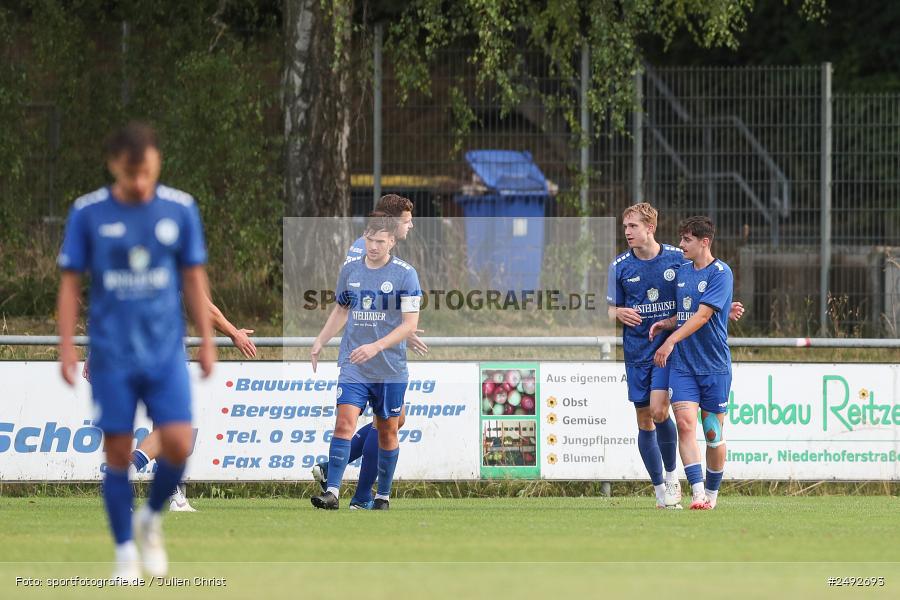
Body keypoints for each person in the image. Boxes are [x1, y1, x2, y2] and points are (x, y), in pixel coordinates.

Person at [57, 122, 215, 579]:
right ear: (114, 168)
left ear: (157, 163)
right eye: (131, 175)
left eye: (147, 172)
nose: (141, 183)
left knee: (179, 442)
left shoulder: (180, 209)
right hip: (112, 355)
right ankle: (125, 551)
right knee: (119, 455)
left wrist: (207, 339)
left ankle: (149, 518)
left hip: (165, 353)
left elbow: (193, 279)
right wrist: (68, 346)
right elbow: (70, 285)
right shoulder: (88, 213)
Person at [607, 203, 742, 509]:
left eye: (632, 226)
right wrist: (618, 312)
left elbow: (700, 298)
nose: (627, 232)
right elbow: (610, 307)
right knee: (652, 418)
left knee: (680, 420)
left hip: (674, 352)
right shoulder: (620, 266)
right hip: (639, 351)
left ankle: (683, 482)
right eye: (624, 227)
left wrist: (721, 308)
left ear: (649, 227)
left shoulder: (676, 258)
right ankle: (668, 487)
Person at [311, 194, 426, 510]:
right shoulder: (359, 256)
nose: (410, 225)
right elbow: (348, 307)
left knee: (391, 423)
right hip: (360, 360)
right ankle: (354, 493)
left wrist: (404, 331)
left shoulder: (403, 270)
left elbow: (388, 310)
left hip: (388, 360)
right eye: (406, 220)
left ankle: (359, 487)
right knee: (373, 423)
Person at [650, 216, 734, 510]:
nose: (681, 245)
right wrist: (666, 324)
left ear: (704, 242)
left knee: (712, 433)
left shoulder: (721, 273)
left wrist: (671, 340)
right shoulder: (683, 273)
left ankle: (711, 494)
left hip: (714, 366)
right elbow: (685, 314)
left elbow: (702, 316)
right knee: (685, 424)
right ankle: (697, 493)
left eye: (687, 240)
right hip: (684, 365)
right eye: (681, 239)